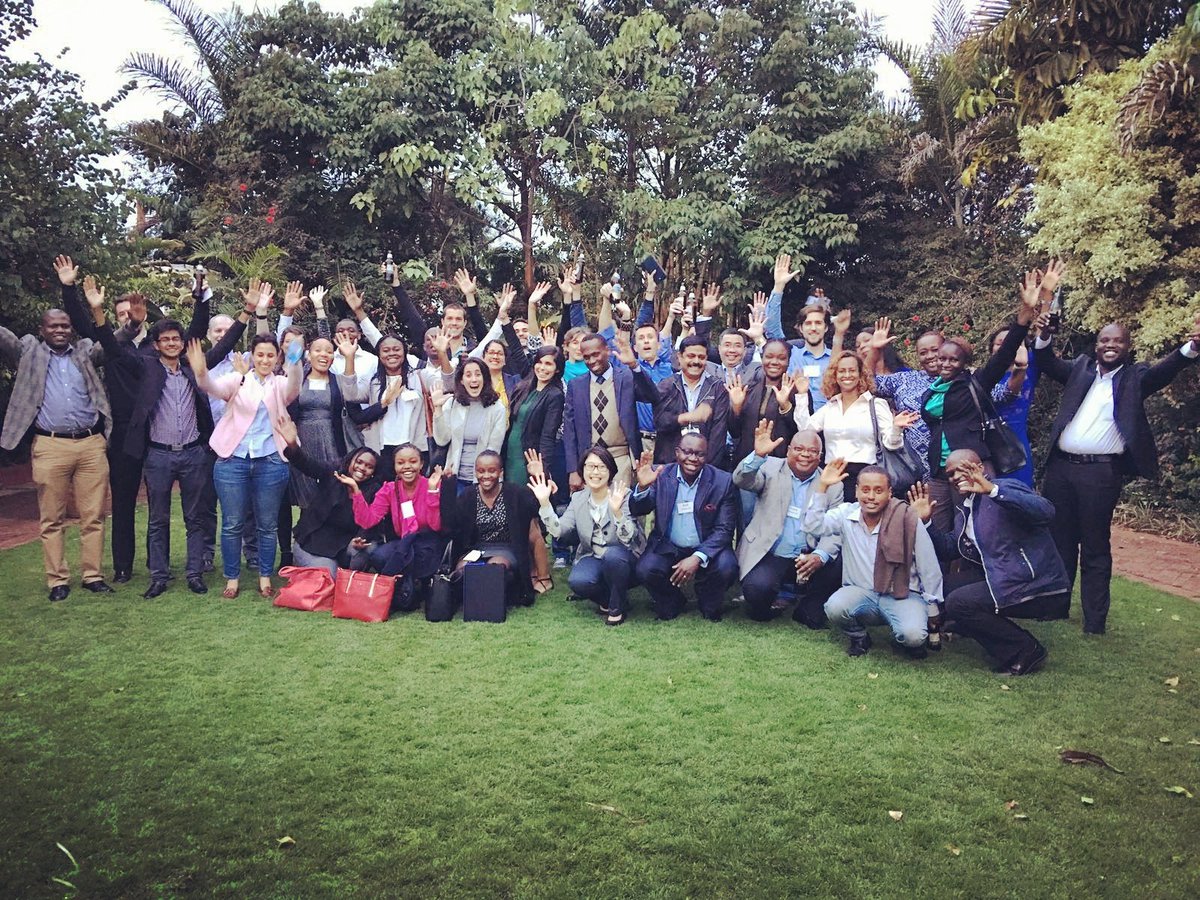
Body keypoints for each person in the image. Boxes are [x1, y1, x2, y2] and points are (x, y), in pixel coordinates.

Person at [1035, 311, 1200, 635]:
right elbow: (1045, 360)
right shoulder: (1079, 369)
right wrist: (1044, 335)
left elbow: (1167, 369)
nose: (1110, 345)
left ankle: (1094, 621)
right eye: (1105, 340)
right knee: (1060, 542)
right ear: (1096, 345)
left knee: (1095, 546)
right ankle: (1055, 608)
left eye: (1118, 341)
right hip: (1061, 469)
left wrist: (1193, 346)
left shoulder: (1136, 378)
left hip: (1100, 474)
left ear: (1128, 346)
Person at [62, 262, 212, 582]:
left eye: (131, 312)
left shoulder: (159, 347)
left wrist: (202, 298)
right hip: (125, 432)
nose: (126, 317)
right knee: (124, 501)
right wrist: (70, 290)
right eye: (121, 314)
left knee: (160, 505)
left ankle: (160, 566)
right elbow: (86, 325)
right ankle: (123, 567)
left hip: (160, 432)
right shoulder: (112, 346)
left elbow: (196, 334)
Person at [0, 256, 115, 601]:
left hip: (91, 445)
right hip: (50, 445)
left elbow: (112, 343)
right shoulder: (28, 351)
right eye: (54, 326)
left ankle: (92, 576)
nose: (61, 330)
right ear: (43, 330)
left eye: (65, 326)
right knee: (52, 518)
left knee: (93, 515)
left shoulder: (85, 351)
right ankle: (57, 581)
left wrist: (130, 322)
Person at [908, 451, 1069, 675]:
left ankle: (1025, 650)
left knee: (959, 603)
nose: (955, 477)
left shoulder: (1005, 488)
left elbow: (1046, 511)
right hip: (1001, 575)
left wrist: (993, 491)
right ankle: (969, 625)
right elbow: (949, 549)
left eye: (962, 469)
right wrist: (926, 523)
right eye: (950, 474)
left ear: (980, 468)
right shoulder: (965, 510)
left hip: (1035, 582)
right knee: (943, 587)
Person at [918, 270, 1043, 528]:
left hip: (969, 467)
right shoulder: (932, 390)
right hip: (939, 470)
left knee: (973, 525)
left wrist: (1024, 315)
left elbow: (1004, 353)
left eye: (953, 360)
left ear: (964, 363)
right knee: (937, 527)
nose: (945, 364)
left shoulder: (975, 383)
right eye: (942, 358)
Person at [187, 332, 302, 599]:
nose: (265, 360)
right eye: (260, 355)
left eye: (270, 355)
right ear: (252, 355)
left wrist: (295, 361)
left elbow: (294, 386)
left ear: (277, 358)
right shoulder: (238, 379)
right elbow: (210, 386)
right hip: (233, 460)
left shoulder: (279, 384)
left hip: (270, 460)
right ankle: (232, 578)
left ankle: (265, 576)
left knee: (267, 524)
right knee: (232, 523)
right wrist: (201, 371)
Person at [804, 461, 944, 658]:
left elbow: (928, 567)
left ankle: (908, 638)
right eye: (865, 490)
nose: (871, 496)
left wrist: (932, 610)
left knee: (913, 636)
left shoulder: (907, 518)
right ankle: (859, 637)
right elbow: (813, 526)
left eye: (878, 491)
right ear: (856, 491)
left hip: (902, 595)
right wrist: (822, 487)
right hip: (861, 592)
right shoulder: (846, 514)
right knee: (835, 607)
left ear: (890, 493)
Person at [734, 424, 844, 627]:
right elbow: (742, 480)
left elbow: (835, 529)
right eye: (799, 449)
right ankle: (772, 600)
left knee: (837, 563)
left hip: (808, 555)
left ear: (820, 457)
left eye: (812, 451)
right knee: (756, 592)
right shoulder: (769, 467)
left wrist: (820, 555)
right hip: (772, 552)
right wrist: (758, 456)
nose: (805, 455)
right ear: (788, 451)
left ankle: (805, 605)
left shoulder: (832, 484)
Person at [631, 434, 739, 621]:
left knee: (727, 566)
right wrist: (642, 488)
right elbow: (639, 509)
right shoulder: (660, 474)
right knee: (645, 569)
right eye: (687, 452)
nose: (693, 458)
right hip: (668, 545)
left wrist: (698, 557)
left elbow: (725, 529)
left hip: (705, 545)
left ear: (707, 455)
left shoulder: (723, 481)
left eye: (699, 454)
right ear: (677, 452)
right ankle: (673, 600)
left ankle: (707, 598)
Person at [531, 447, 645, 625]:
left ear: (611, 471)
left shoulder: (623, 494)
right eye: (590, 466)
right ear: (582, 470)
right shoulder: (578, 498)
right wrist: (545, 503)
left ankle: (616, 609)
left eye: (601, 467)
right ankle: (609, 600)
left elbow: (629, 537)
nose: (595, 472)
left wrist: (617, 512)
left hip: (625, 558)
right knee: (578, 582)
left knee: (613, 556)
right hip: (593, 556)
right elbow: (559, 530)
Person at [793, 351, 917, 493]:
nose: (847, 375)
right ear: (835, 376)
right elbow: (805, 431)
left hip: (866, 477)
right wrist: (802, 395)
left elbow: (891, 444)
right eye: (842, 371)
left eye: (852, 370)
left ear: (860, 374)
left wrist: (896, 428)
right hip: (832, 476)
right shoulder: (830, 406)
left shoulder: (876, 404)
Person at [342, 444, 447, 611]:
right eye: (401, 462)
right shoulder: (389, 489)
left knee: (412, 557)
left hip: (427, 541)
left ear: (421, 464)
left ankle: (410, 588)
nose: (407, 466)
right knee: (379, 556)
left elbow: (436, 525)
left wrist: (433, 491)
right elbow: (367, 521)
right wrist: (356, 490)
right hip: (404, 542)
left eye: (413, 461)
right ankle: (409, 587)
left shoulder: (432, 484)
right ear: (395, 466)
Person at [280, 415, 385, 578]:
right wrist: (293, 445)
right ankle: (309, 565)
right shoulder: (333, 474)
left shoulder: (374, 490)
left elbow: (371, 523)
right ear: (350, 462)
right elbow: (307, 465)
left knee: (368, 549)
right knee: (329, 577)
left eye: (369, 466)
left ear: (373, 473)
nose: (362, 468)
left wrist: (360, 539)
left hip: (346, 544)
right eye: (359, 462)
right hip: (315, 543)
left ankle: (350, 577)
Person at [563, 331, 659, 488]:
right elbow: (569, 430)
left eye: (596, 354)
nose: (592, 361)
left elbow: (652, 397)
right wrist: (573, 470)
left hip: (621, 458)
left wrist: (634, 365)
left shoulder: (626, 377)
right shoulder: (576, 385)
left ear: (607, 351)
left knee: (620, 502)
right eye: (586, 357)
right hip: (589, 462)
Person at [446, 450, 541, 607]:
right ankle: (475, 599)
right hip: (477, 549)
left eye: (492, 470)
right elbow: (451, 526)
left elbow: (537, 506)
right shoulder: (468, 495)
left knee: (494, 568)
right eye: (481, 471)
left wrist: (538, 476)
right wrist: (447, 487)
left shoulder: (514, 493)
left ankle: (487, 602)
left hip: (506, 548)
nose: (486, 476)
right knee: (462, 569)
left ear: (501, 472)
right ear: (475, 472)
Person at [342, 332, 427, 477]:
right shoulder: (373, 381)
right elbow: (350, 395)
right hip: (381, 449)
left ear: (404, 352)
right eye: (386, 350)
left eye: (396, 349)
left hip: (413, 447)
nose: (391, 353)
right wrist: (349, 358)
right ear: (379, 355)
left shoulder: (419, 376)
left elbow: (449, 383)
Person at [765, 253, 833, 410]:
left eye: (818, 323)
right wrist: (778, 287)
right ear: (801, 328)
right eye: (808, 323)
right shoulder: (790, 354)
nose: (813, 328)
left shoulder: (836, 358)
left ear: (826, 327)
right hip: (794, 419)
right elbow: (772, 329)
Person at [430, 357, 507, 491]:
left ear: (485, 378)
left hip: (484, 479)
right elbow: (442, 440)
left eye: (478, 374)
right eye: (468, 375)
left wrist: (482, 477)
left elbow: (494, 448)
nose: (474, 379)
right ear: (461, 379)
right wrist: (438, 408)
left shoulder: (497, 408)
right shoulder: (452, 404)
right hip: (454, 477)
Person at [653, 335, 730, 466]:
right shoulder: (667, 385)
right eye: (691, 356)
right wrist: (687, 417)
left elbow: (718, 436)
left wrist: (705, 468)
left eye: (701, 357)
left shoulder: (718, 388)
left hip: (705, 465)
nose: (696, 361)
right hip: (669, 464)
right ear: (680, 357)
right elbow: (660, 422)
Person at [987, 323, 1039, 486]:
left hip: (1015, 445)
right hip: (987, 444)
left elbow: (1041, 339)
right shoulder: (983, 376)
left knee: (1018, 491)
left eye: (1013, 342)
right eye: (1000, 343)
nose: (1007, 346)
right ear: (991, 349)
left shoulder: (1029, 371)